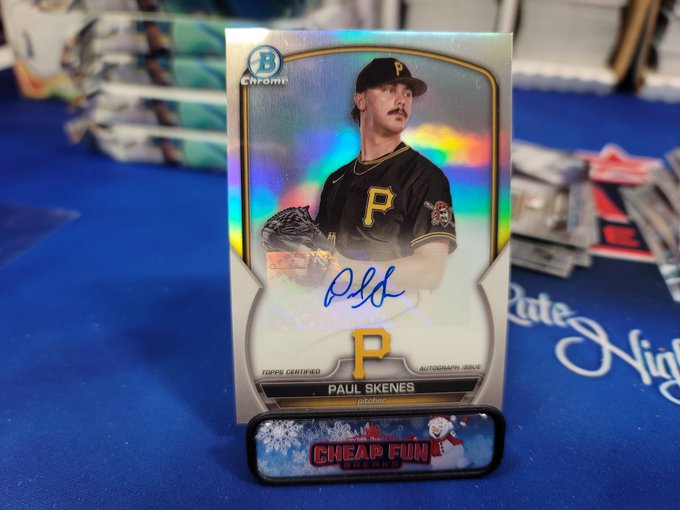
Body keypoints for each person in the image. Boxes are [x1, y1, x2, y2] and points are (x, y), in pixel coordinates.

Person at [315, 57, 456, 290]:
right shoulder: (335, 180)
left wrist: (345, 269)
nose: (402, 100)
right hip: (331, 305)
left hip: (393, 308)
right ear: (361, 100)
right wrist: (285, 258)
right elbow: (319, 259)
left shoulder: (426, 177)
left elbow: (429, 272)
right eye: (390, 90)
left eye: (408, 94)